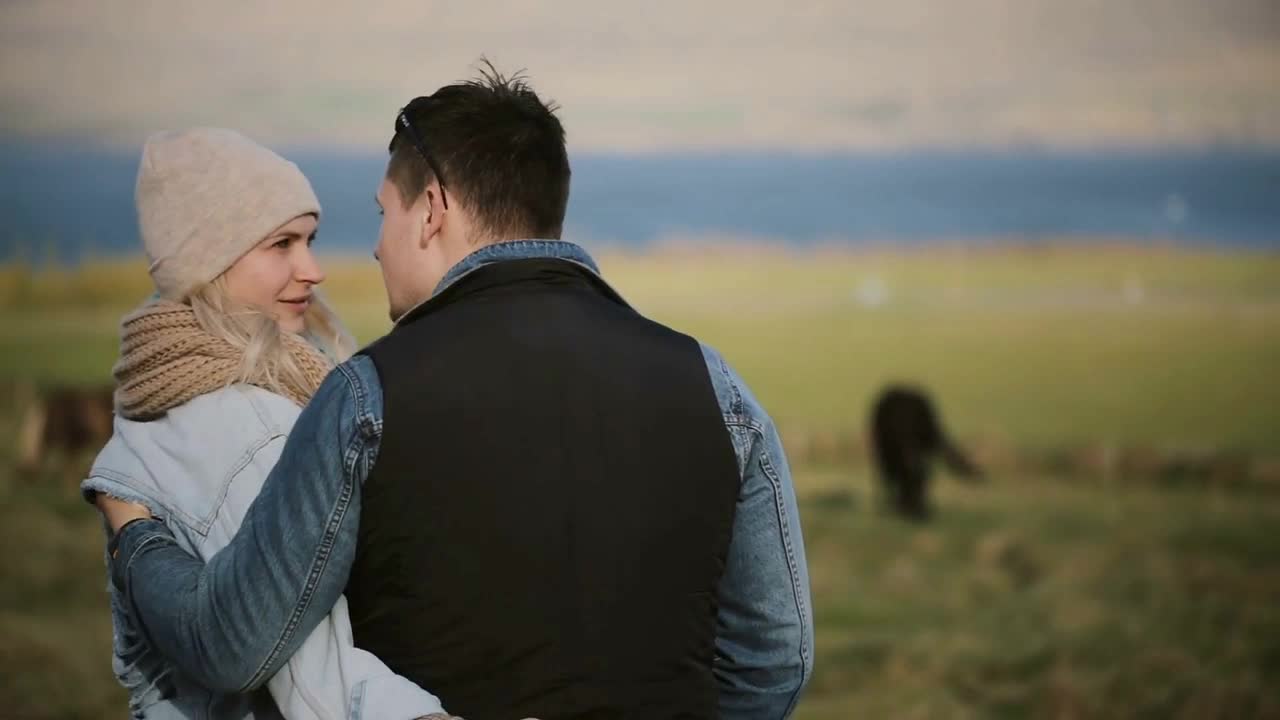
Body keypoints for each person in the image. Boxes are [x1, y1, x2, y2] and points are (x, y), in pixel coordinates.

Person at [97, 64, 814, 719]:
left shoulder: (363, 398)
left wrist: (137, 536)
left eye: (385, 215)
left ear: (432, 209)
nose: (375, 246)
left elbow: (236, 647)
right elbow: (777, 656)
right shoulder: (714, 386)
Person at [82, 127, 452, 719]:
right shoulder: (255, 422)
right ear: (209, 262)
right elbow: (316, 685)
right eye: (281, 244)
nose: (313, 269)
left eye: (310, 239)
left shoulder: (157, 392)